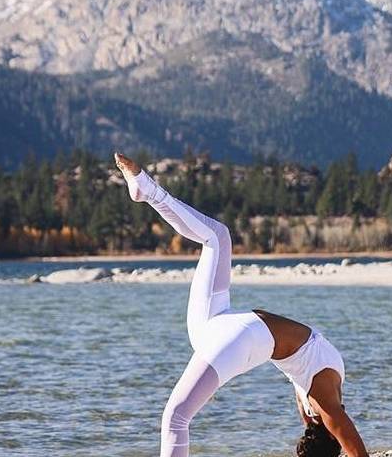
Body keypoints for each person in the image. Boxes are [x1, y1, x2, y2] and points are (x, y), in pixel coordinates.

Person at [114, 153, 369, 457]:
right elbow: (349, 441)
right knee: (218, 236)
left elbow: (332, 426)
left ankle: (149, 189)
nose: (305, 418)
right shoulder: (324, 403)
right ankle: (145, 188)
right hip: (223, 324)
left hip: (237, 334)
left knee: (176, 417)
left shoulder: (328, 388)